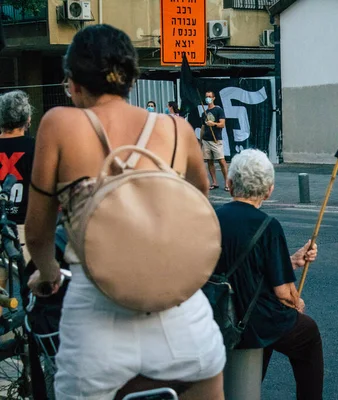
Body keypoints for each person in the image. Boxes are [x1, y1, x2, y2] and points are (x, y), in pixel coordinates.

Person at [25, 24, 225, 400]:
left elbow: (37, 233)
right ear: (132, 79)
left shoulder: (58, 124)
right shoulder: (178, 129)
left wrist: (48, 275)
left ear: (73, 83)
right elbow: (199, 201)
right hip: (182, 322)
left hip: (96, 334)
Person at [215, 149, 323, 400]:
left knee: (270, 328)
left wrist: (293, 261)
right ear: (269, 190)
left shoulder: (212, 217)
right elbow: (283, 293)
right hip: (252, 320)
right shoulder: (267, 226)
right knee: (307, 334)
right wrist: (296, 303)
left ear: (230, 184)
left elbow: (247, 268)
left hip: (218, 315)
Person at [0, 90, 35, 272]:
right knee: (29, 284)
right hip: (25, 227)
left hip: (0, 223)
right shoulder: (35, 148)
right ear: (27, 119)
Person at [200, 91, 229, 191]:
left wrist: (214, 124)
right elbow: (203, 127)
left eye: (209, 96)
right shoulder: (204, 112)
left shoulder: (218, 110)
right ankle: (214, 182)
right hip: (206, 140)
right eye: (206, 96)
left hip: (216, 139)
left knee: (221, 160)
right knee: (209, 161)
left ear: (213, 98)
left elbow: (222, 124)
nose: (208, 98)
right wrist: (200, 140)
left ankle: (227, 183)